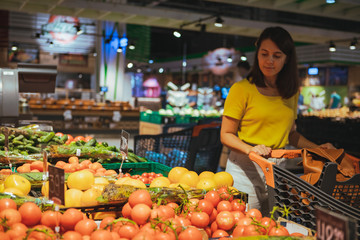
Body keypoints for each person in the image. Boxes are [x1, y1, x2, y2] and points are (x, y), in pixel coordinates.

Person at [220, 26, 335, 215]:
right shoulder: (241, 89)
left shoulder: (290, 92)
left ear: (287, 58)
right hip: (244, 171)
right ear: (257, 55)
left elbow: (290, 134)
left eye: (277, 55)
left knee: (272, 228)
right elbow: (226, 134)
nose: (269, 61)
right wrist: (251, 149)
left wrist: (318, 149)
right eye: (264, 54)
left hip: (277, 171)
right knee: (245, 228)